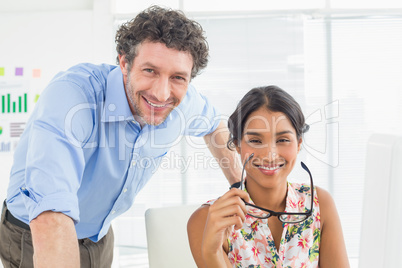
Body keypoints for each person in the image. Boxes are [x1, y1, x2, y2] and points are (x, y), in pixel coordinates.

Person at [0, 6, 241, 268]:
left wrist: (241, 187)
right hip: (33, 234)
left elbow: (215, 126)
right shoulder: (72, 97)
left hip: (99, 235)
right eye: (150, 71)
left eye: (177, 77)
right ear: (124, 63)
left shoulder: (182, 100)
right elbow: (52, 214)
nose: (162, 94)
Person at [188, 85, 350, 267]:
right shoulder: (206, 220)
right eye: (255, 141)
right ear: (237, 145)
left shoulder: (320, 203)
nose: (270, 155)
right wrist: (212, 252)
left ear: (298, 143)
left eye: (282, 140)